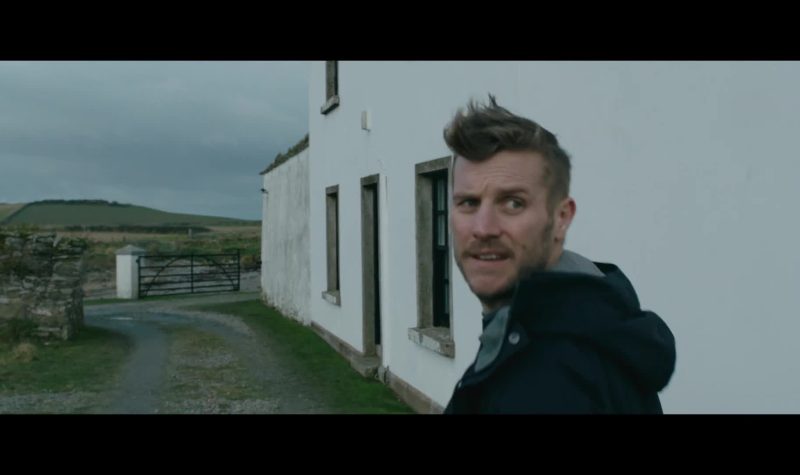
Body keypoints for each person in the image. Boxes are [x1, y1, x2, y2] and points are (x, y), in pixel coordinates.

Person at [442, 95, 675, 414]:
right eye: (467, 202)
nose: (483, 228)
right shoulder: (589, 305)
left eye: (513, 203)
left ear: (561, 217)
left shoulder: (545, 383)